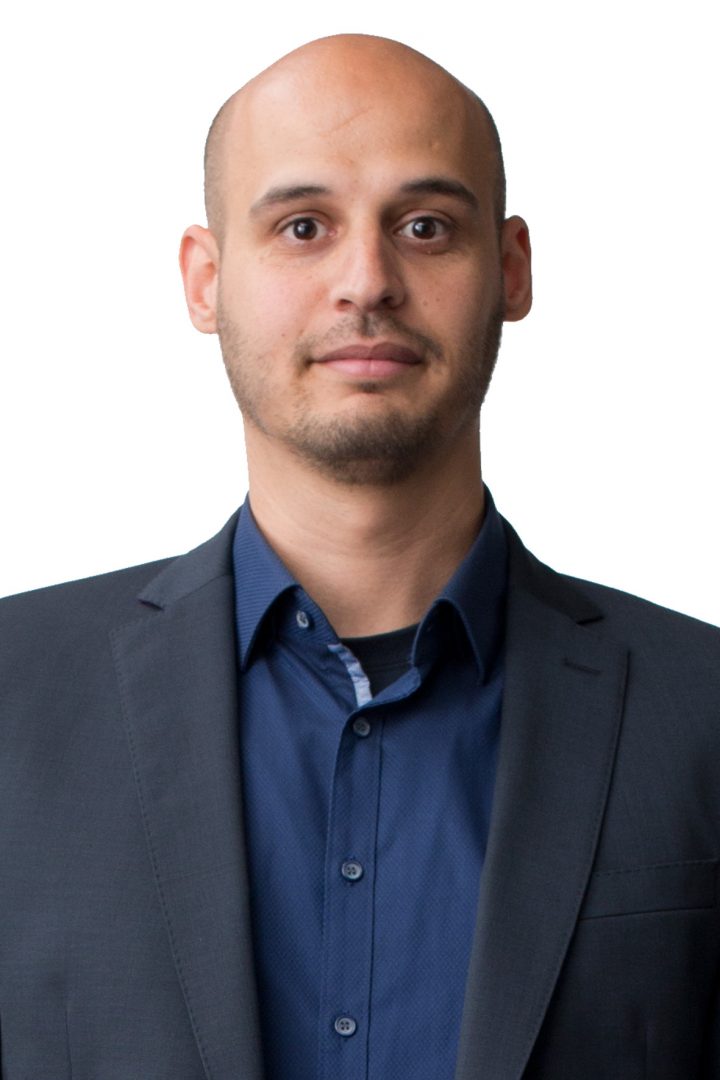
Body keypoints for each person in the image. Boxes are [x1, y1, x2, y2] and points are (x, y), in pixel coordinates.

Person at [0, 32, 718, 1080]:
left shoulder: (701, 709)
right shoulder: (12, 698)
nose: (367, 280)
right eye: (303, 226)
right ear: (206, 282)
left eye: (426, 226)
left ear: (510, 270)